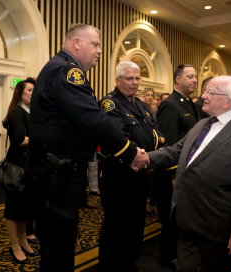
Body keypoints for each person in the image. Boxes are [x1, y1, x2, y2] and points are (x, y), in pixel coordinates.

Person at [25, 24, 148, 272]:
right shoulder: (66, 71)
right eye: (96, 44)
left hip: (59, 170)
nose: (100, 51)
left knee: (60, 240)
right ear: (77, 43)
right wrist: (130, 151)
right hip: (56, 171)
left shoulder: (62, 69)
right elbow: (93, 118)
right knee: (58, 244)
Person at [147, 75, 231, 272]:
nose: (203, 96)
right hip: (186, 220)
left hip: (217, 229)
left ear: (228, 101)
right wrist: (142, 158)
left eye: (210, 92)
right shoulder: (202, 124)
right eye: (205, 91)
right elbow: (175, 151)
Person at [97, 61, 165, 272]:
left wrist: (150, 159)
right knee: (117, 225)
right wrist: (138, 158)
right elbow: (117, 136)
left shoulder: (142, 105)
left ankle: (129, 262)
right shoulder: (110, 104)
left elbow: (157, 134)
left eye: (137, 78)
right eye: (129, 78)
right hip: (119, 175)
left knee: (136, 223)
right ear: (117, 80)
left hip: (142, 174)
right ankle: (109, 266)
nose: (135, 83)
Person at [156, 64, 200, 270]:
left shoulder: (189, 103)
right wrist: (172, 173)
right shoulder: (170, 104)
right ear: (177, 79)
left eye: (195, 77)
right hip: (173, 173)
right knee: (170, 217)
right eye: (189, 76)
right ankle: (168, 255)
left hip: (188, 171)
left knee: (182, 215)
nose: (194, 80)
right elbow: (169, 143)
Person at [2, 78, 39, 264]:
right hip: (17, 166)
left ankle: (23, 240)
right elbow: (18, 140)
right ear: (20, 92)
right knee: (13, 208)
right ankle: (14, 244)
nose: (33, 93)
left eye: (34, 90)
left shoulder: (29, 111)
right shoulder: (17, 112)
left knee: (25, 207)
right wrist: (42, 139)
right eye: (29, 90)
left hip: (28, 166)